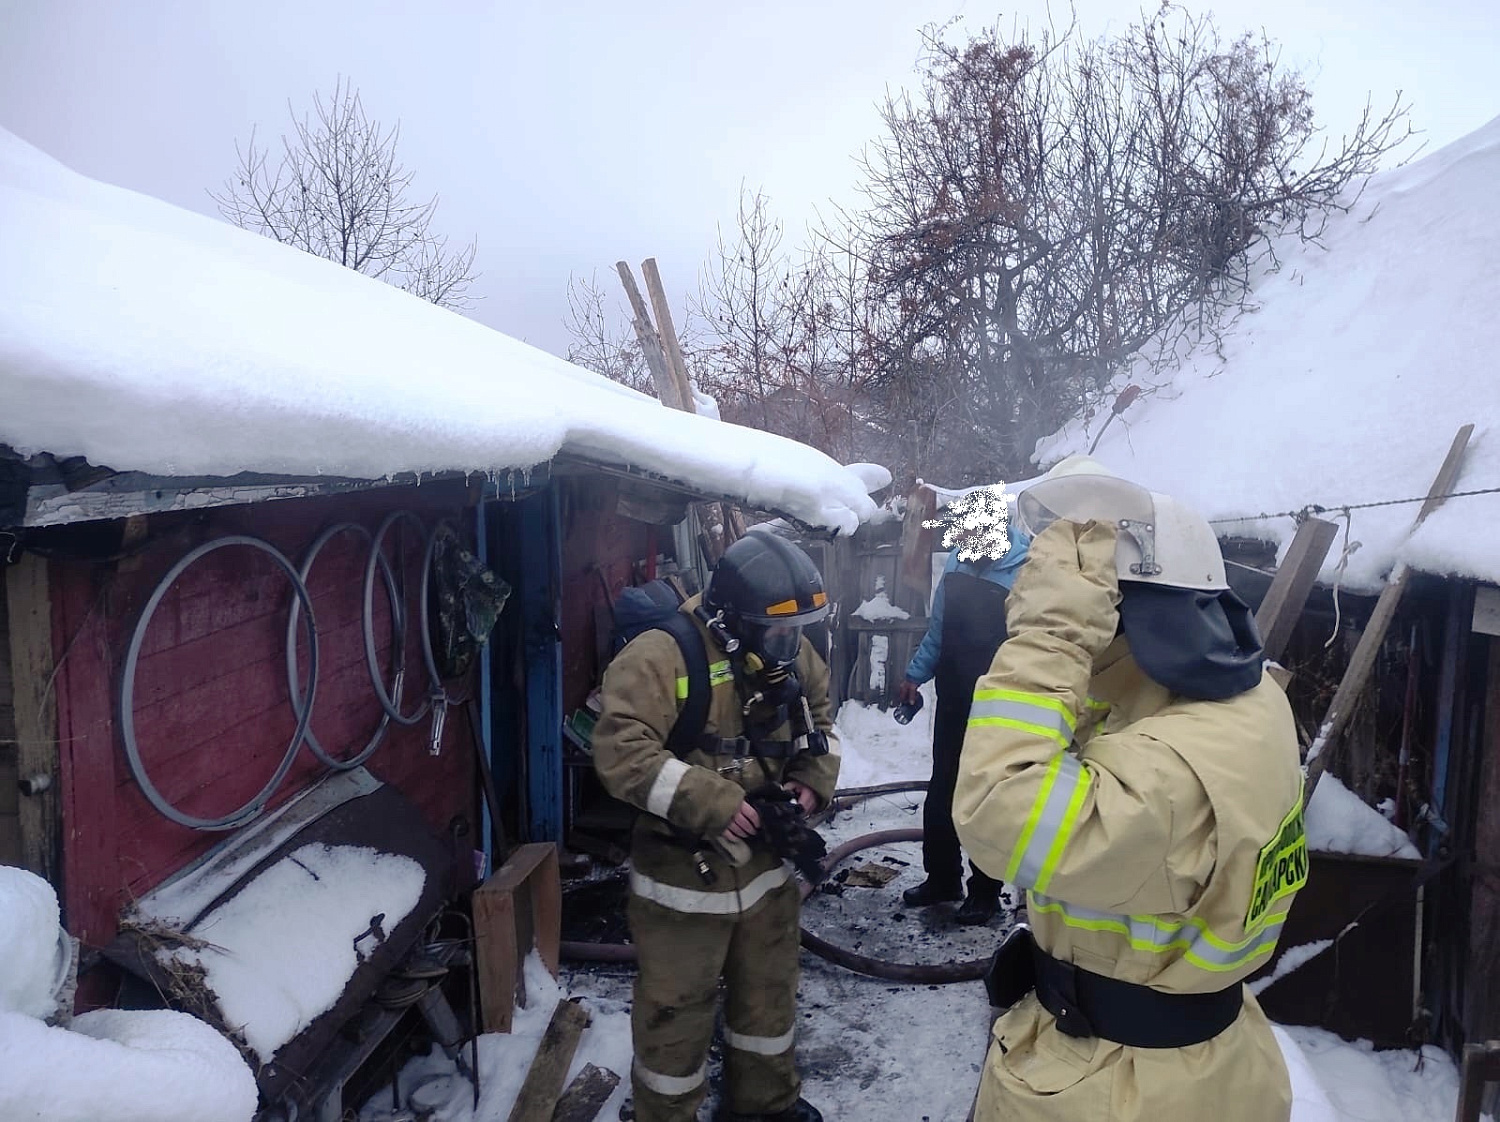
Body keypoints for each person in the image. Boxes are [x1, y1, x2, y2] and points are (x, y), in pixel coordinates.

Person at [953, 456, 1308, 1122]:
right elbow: (1113, 717)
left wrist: (1051, 634)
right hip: (1203, 1063)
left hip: (1119, 1089)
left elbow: (998, 809)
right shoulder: (1246, 702)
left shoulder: (1172, 774)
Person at [592, 532, 840, 1122]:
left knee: (768, 1001)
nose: (789, 646)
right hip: (683, 880)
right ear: (731, 622)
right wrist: (713, 802)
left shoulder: (793, 654)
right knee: (674, 1016)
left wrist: (810, 778)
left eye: (798, 631)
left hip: (766, 876)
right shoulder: (661, 655)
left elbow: (820, 719)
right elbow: (621, 749)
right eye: (777, 632)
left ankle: (765, 1105)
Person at [897, 485, 1030, 925]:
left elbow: (1037, 648)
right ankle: (942, 879)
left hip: (999, 707)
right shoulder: (958, 563)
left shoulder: (1026, 574)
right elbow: (938, 631)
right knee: (942, 791)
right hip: (953, 697)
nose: (965, 545)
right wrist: (915, 676)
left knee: (986, 797)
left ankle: (985, 892)